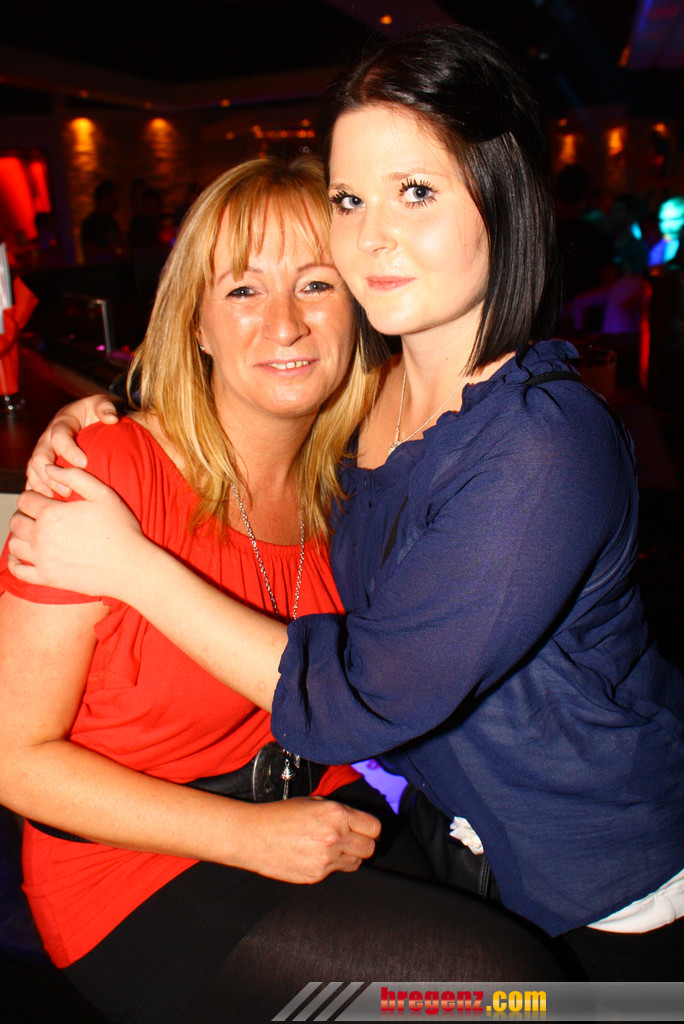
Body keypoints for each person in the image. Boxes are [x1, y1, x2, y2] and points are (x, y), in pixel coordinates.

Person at [12, 27, 684, 982]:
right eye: (350, 200)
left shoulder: (502, 444)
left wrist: (131, 564)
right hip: (331, 846)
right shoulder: (347, 419)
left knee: (522, 1000)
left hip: (593, 864)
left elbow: (361, 697)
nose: (371, 238)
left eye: (416, 191)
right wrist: (90, 418)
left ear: (501, 195)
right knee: (485, 987)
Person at [0, 155, 564, 1022]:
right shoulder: (103, 477)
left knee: (523, 957)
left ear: (358, 308)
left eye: (315, 285)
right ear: (196, 324)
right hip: (133, 870)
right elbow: (13, 757)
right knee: (505, 987)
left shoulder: (357, 469)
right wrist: (246, 836)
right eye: (243, 291)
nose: (286, 323)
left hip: (318, 804)